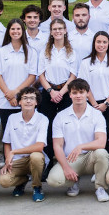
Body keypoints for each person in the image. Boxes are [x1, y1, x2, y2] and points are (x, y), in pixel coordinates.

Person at [47, 79, 109, 202]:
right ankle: (73, 182)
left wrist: (81, 146)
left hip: (91, 157)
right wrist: (66, 168)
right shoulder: (61, 116)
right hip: (71, 158)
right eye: (74, 93)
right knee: (53, 180)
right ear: (70, 95)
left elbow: (101, 142)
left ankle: (100, 187)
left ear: (87, 93)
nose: (78, 96)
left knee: (102, 153)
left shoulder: (97, 115)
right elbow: (57, 146)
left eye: (81, 92)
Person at [0, 87, 48, 202]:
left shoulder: (42, 119)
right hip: (17, 161)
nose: (28, 101)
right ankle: (22, 181)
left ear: (36, 102)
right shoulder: (12, 118)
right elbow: (7, 142)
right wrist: (8, 160)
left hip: (35, 160)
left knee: (36, 156)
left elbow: (39, 146)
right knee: (4, 181)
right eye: (25, 98)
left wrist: (14, 152)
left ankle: (37, 187)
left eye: (32, 98)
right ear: (19, 101)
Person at [78, 31, 109, 158]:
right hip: (92, 103)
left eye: (104, 42)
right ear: (94, 43)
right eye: (98, 42)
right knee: (93, 132)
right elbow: (84, 85)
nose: (101, 45)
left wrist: (106, 103)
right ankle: (92, 160)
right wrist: (94, 105)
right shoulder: (85, 62)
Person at [38, 18, 77, 162]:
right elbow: (40, 74)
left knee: (66, 126)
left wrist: (61, 92)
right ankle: (47, 161)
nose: (58, 31)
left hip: (65, 93)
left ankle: (67, 160)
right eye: (55, 29)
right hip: (49, 92)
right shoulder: (45, 51)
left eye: (60, 28)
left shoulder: (71, 51)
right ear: (51, 32)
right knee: (47, 126)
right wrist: (51, 92)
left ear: (65, 31)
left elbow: (73, 75)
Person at [0, 19, 38, 136]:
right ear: (8, 31)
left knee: (24, 134)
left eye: (18, 29)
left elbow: (32, 77)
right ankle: (7, 155)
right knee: (7, 134)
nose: (15, 31)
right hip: (5, 101)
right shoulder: (1, 52)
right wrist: (9, 95)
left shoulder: (31, 52)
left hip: (24, 99)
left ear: (23, 31)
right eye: (13, 29)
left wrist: (17, 94)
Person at [69, 3, 95, 72]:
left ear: (89, 17)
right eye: (77, 15)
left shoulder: (95, 38)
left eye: (84, 15)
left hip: (88, 75)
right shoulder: (67, 37)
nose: (80, 18)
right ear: (73, 17)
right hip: (70, 77)